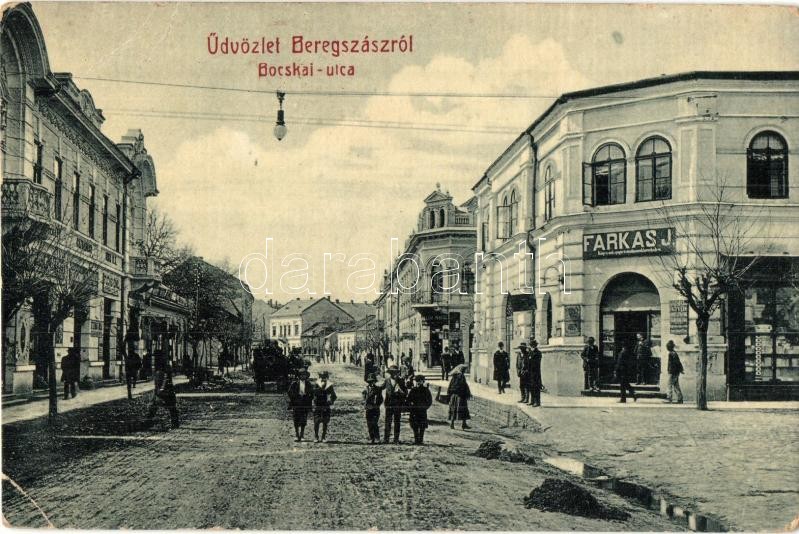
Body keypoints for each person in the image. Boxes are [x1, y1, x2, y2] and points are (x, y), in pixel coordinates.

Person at [147, 351, 179, 428]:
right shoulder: (163, 367)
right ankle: (175, 423)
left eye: (154, 357)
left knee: (157, 406)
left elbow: (165, 379)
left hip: (164, 390)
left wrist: (161, 389)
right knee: (170, 407)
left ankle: (148, 422)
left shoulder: (162, 368)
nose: (153, 359)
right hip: (164, 390)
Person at [381, 364, 407, 444]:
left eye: (395, 372)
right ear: (390, 373)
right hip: (388, 404)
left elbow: (405, 392)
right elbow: (381, 387)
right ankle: (386, 439)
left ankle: (396, 439)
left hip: (397, 404)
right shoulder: (387, 380)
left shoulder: (401, 381)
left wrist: (400, 392)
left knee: (397, 422)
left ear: (397, 373)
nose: (394, 374)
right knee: (388, 422)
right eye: (392, 372)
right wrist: (373, 386)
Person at [287, 368, 314, 441]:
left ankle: (302, 435)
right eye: (301, 375)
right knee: (296, 419)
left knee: (303, 419)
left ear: (306, 376)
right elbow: (289, 392)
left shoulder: (308, 384)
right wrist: (295, 397)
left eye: (304, 375)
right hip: (296, 403)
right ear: (299, 376)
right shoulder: (294, 383)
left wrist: (308, 398)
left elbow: (312, 393)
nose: (303, 376)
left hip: (304, 403)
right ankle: (297, 434)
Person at [312, 370, 337, 443]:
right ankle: (316, 436)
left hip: (325, 405)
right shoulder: (317, 384)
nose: (323, 378)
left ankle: (323, 437)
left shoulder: (329, 385)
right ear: (319, 377)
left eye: (325, 377)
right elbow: (313, 393)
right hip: (318, 405)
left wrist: (331, 401)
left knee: (325, 422)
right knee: (316, 421)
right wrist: (314, 399)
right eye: (321, 377)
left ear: (327, 377)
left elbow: (334, 396)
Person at [407, 375, 433, 445]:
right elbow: (408, 399)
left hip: (422, 411)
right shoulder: (413, 390)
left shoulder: (426, 390)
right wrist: (411, 406)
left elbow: (429, 400)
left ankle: (421, 440)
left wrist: (425, 407)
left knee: (422, 426)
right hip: (414, 411)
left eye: (420, 381)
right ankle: (416, 440)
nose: (418, 382)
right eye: (417, 381)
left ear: (423, 381)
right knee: (414, 425)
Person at [447, 364, 471, 430]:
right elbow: (463, 386)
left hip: (453, 396)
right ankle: (463, 424)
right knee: (464, 410)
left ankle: (452, 424)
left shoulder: (454, 376)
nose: (465, 371)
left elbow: (450, 386)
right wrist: (467, 394)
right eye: (464, 369)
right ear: (461, 370)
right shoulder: (461, 376)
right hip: (460, 396)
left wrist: (449, 394)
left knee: (453, 410)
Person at [362, 373, 383, 444]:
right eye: (370, 381)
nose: (371, 383)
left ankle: (377, 438)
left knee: (374, 423)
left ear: (375, 381)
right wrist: (365, 404)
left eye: (373, 381)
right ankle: (372, 438)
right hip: (368, 409)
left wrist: (377, 405)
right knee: (369, 424)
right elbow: (363, 398)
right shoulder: (365, 389)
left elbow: (381, 399)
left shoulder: (378, 389)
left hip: (375, 409)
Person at [529, 340, 543, 407]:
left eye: (532, 345)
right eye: (531, 345)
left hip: (536, 372)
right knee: (531, 387)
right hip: (531, 372)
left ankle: (537, 402)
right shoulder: (530, 352)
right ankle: (532, 401)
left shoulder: (538, 353)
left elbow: (536, 363)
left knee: (536, 387)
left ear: (535, 346)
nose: (532, 347)